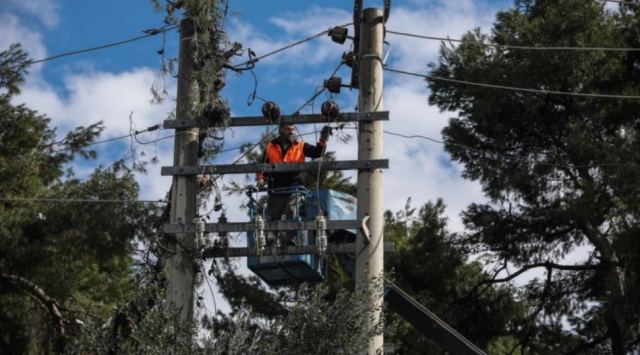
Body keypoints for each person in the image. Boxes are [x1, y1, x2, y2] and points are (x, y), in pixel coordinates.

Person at [256, 123, 331, 222]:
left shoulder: (300, 146)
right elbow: (263, 165)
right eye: (288, 129)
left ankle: (290, 237)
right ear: (281, 131)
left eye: (293, 129)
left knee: (291, 214)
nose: (291, 132)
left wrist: (323, 139)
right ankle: (272, 237)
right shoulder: (271, 146)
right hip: (276, 189)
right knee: (272, 218)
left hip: (294, 188)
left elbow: (317, 152)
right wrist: (261, 179)